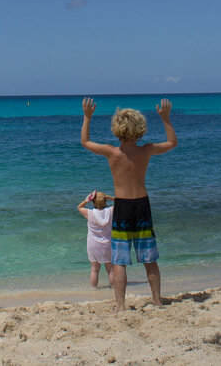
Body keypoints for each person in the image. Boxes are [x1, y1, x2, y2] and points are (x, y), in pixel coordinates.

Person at [80, 97, 177, 311]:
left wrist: (87, 118)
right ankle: (157, 301)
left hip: (123, 207)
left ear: (116, 130)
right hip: (141, 205)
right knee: (149, 258)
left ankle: (120, 306)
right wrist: (166, 118)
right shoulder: (147, 150)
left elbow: (85, 142)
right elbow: (172, 143)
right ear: (141, 128)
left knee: (119, 260)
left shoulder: (112, 152)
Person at [77, 189, 114, 289]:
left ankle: (93, 289)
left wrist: (87, 200)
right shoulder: (110, 211)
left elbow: (79, 207)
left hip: (93, 244)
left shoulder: (90, 213)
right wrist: (109, 197)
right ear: (105, 201)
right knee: (110, 269)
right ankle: (113, 288)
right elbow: (122, 204)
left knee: (94, 269)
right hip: (107, 243)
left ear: (93, 201)